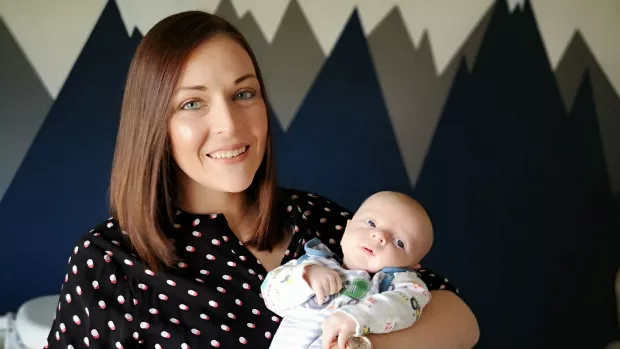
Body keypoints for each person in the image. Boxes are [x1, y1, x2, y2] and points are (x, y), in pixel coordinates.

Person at [44, 11, 479, 349]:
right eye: (192, 103)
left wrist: (364, 342)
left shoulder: (315, 217)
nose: (230, 125)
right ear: (154, 123)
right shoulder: (108, 261)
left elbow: (460, 319)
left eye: (243, 94)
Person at [261, 191, 434, 349]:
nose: (380, 236)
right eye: (371, 223)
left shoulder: (395, 287)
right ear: (347, 229)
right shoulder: (315, 262)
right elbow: (270, 294)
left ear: (411, 267)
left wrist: (359, 316)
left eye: (400, 242)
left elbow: (409, 304)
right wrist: (306, 277)